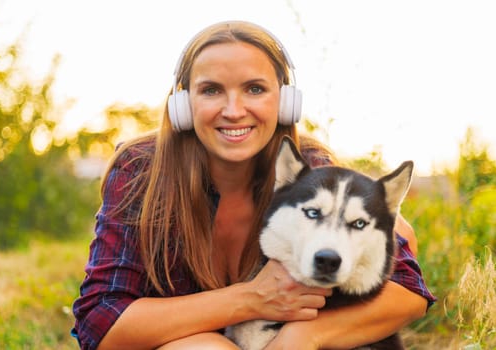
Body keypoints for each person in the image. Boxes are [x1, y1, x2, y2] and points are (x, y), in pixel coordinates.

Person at [71, 20, 435, 350]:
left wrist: (305, 336)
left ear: (285, 102)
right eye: (211, 90)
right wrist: (251, 299)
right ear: (183, 104)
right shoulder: (142, 169)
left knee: (398, 228)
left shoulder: (308, 169)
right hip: (184, 341)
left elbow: (408, 289)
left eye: (255, 89)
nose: (233, 110)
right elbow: (101, 323)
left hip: (271, 340)